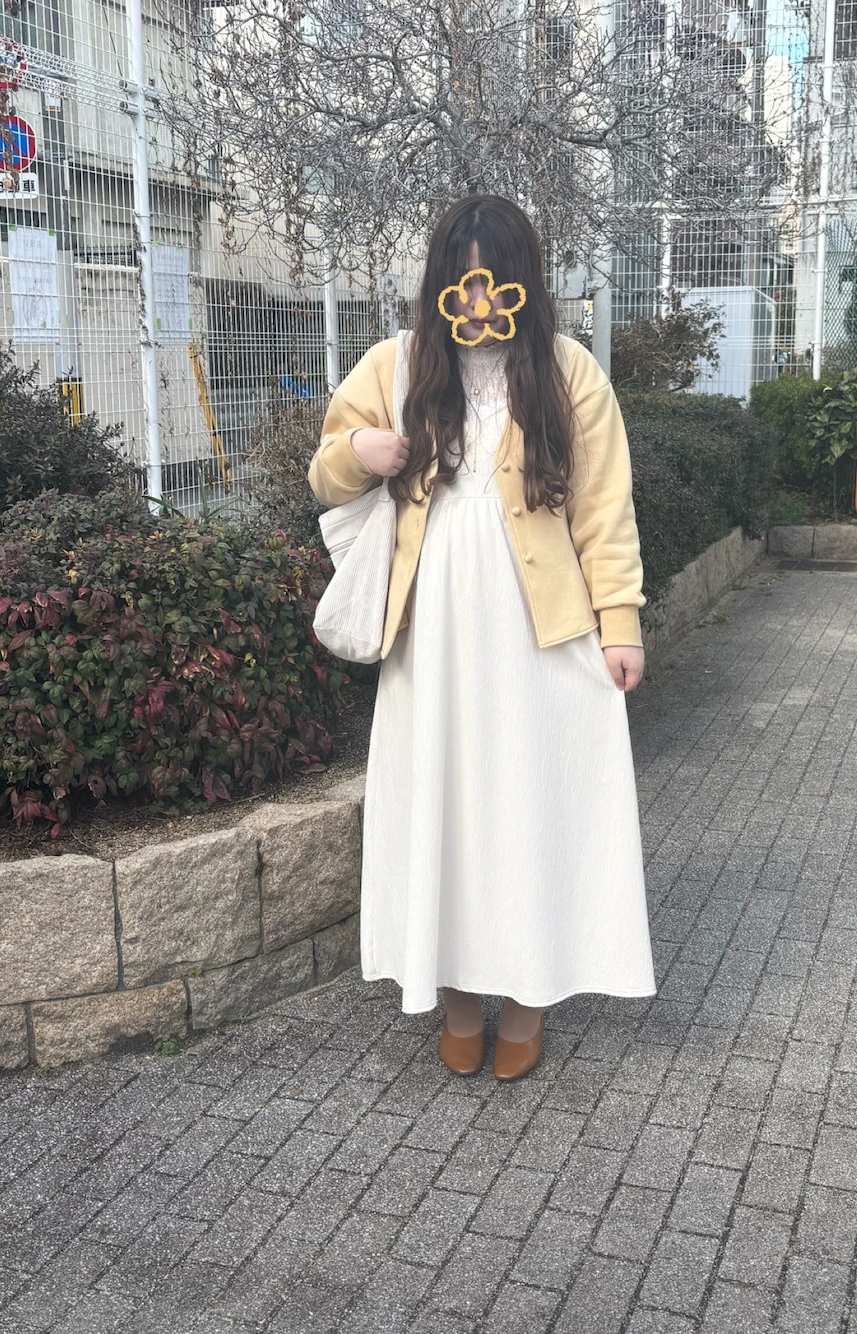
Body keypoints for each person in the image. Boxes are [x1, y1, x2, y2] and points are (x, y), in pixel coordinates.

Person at [309, 195, 655, 1081]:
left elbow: (604, 508)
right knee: (446, 807)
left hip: (543, 631)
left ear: (522, 284)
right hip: (434, 632)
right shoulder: (396, 364)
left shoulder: (568, 372)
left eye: (492, 281)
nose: (476, 301)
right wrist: (361, 451)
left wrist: (620, 623)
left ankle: (530, 999)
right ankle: (459, 999)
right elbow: (325, 474)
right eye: (460, 281)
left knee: (533, 803)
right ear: (439, 284)